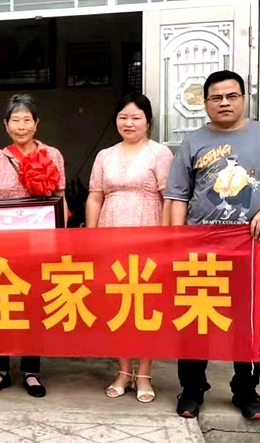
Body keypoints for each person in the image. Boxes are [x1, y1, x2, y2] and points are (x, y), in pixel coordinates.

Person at [164, 70, 260, 420]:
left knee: (246, 323)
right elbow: (177, 196)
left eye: (231, 96)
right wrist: (177, 244)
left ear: (243, 98)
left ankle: (246, 391)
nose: (224, 103)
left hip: (250, 248)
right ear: (205, 103)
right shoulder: (192, 142)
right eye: (216, 97)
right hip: (200, 249)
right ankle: (192, 388)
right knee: (194, 320)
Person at [85, 93, 173, 404]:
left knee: (146, 306)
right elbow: (95, 196)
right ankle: (123, 371)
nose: (129, 123)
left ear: (148, 121)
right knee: (118, 306)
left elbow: (169, 199)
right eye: (123, 117)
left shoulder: (160, 153)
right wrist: (91, 236)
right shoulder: (105, 155)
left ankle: (145, 373)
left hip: (148, 236)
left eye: (136, 117)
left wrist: (166, 239)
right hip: (111, 236)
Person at [0, 94, 66, 399]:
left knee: (33, 304)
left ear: (36, 123)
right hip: (2, 244)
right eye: (15, 120)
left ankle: (31, 371)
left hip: (39, 243)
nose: (21, 126)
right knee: (1, 300)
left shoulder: (52, 155)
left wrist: (61, 238)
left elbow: (60, 197)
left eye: (27, 119)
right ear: (6, 125)